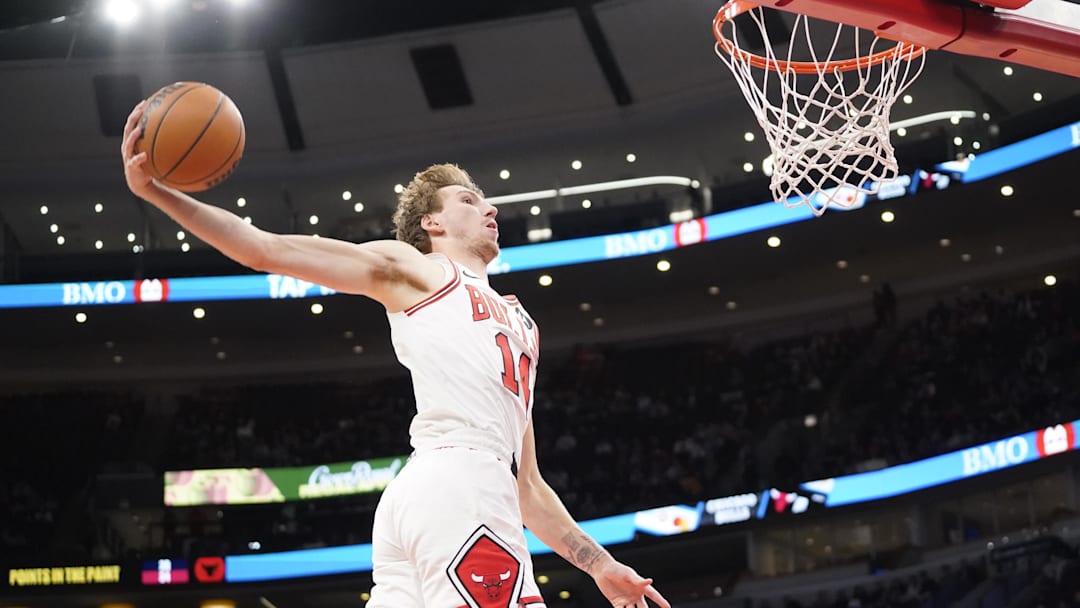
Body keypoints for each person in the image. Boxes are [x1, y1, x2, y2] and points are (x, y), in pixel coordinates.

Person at [121, 101, 670, 608]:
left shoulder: (522, 322)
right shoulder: (420, 269)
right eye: (469, 199)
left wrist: (598, 564)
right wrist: (159, 193)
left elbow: (526, 486)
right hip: (460, 486)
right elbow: (267, 248)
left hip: (442, 493)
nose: (491, 206)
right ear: (431, 224)